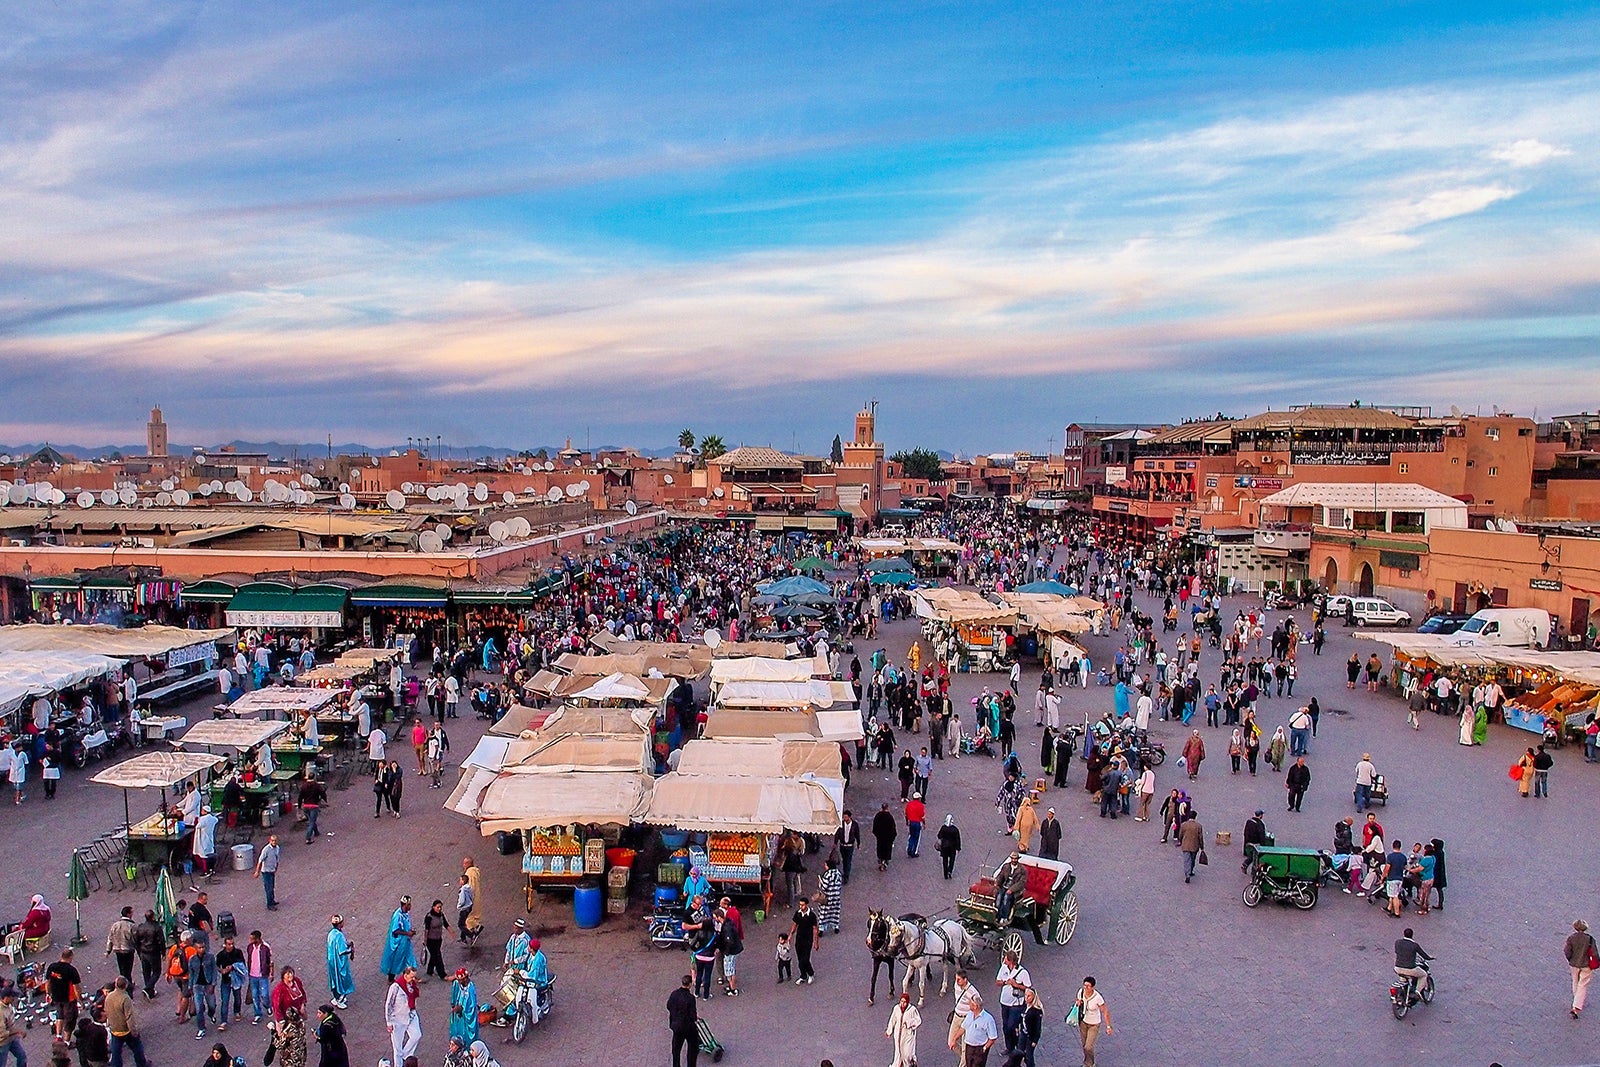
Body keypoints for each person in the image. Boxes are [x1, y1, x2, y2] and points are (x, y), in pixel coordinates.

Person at [103, 978, 151, 1067]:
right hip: (125, 1030)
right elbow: (129, 1017)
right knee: (137, 1047)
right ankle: (142, 1064)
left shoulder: (109, 997)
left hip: (114, 1029)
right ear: (125, 986)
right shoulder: (125, 998)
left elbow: (107, 1011)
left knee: (116, 1052)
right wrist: (133, 1031)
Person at [994, 950, 1031, 1054]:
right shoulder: (1003, 968)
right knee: (1005, 1027)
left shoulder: (1023, 972)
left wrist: (1016, 985)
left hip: (1017, 1004)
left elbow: (1028, 988)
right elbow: (997, 982)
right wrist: (1006, 982)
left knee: (1012, 1026)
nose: (1004, 960)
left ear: (1010, 961)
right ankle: (1009, 1047)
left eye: (1005, 958)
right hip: (1004, 1002)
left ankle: (1017, 1046)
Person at [383, 967, 421, 1067]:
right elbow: (389, 1005)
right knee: (397, 1048)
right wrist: (389, 1022)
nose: (413, 979)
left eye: (414, 977)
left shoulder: (412, 985)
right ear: (405, 975)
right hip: (397, 1020)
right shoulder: (395, 987)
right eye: (411, 977)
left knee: (417, 1035)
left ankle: (405, 1055)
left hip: (411, 1015)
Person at [1072, 976, 1112, 1067]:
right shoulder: (1081, 992)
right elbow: (1078, 1000)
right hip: (1083, 1022)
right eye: (1084, 985)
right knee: (1084, 1044)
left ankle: (1090, 1063)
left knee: (1088, 1046)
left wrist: (1108, 1026)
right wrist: (1078, 1003)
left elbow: (1105, 1011)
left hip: (1094, 1024)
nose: (1086, 988)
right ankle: (1087, 1062)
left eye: (1088, 986)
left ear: (1093, 987)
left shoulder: (1098, 997)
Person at [45, 949, 81, 1043]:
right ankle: (67, 1042)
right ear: (71, 957)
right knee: (70, 1020)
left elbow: (47, 982)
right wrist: (80, 1001)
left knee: (59, 1015)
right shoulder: (71, 970)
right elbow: (76, 988)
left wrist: (48, 994)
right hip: (69, 999)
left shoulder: (52, 967)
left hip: (56, 997)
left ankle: (58, 1036)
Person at [954, 996, 998, 1067]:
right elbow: (963, 1027)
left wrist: (984, 1048)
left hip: (979, 1048)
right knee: (969, 1064)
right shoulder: (970, 1014)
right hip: (969, 1047)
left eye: (970, 1004)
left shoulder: (988, 1019)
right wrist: (955, 1039)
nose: (969, 1005)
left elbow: (993, 1037)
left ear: (975, 1006)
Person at [1566, 920, 1598, 1018]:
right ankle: (1576, 1006)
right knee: (1583, 984)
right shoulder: (1589, 939)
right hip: (1586, 965)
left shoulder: (1571, 938)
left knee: (1575, 982)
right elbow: (1595, 953)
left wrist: (1570, 959)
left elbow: (1567, 951)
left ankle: (1576, 1000)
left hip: (1574, 964)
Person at [380, 898, 417, 982]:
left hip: (405, 942)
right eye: (409, 905)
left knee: (408, 958)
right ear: (405, 905)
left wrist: (410, 932)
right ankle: (391, 979)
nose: (410, 906)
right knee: (396, 960)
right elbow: (395, 930)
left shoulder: (406, 914)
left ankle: (410, 975)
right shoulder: (397, 916)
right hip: (399, 943)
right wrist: (407, 933)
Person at [132, 910, 166, 1001]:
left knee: (146, 971)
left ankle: (149, 991)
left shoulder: (140, 927)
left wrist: (139, 951)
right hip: (153, 952)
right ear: (153, 917)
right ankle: (148, 988)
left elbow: (136, 940)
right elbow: (161, 941)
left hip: (144, 952)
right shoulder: (156, 927)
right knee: (156, 972)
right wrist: (163, 952)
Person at [666, 975, 699, 1067]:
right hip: (688, 1027)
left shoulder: (674, 994)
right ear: (689, 984)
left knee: (676, 1049)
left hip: (676, 1026)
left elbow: (668, 1006)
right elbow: (692, 1014)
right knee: (693, 1047)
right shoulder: (690, 998)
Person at [885, 991, 921, 1067]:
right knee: (898, 1053)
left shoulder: (912, 1010)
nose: (902, 1004)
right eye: (901, 1001)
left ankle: (910, 1064)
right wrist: (889, 1031)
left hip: (908, 1036)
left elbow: (918, 1020)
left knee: (907, 1054)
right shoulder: (896, 1008)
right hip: (898, 1035)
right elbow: (892, 1020)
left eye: (904, 1002)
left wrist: (909, 1023)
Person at [325, 916, 354, 1009]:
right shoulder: (339, 935)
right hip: (339, 962)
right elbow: (342, 950)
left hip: (332, 961)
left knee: (334, 979)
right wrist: (351, 950)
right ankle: (340, 999)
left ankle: (336, 997)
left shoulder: (331, 933)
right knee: (342, 979)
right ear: (339, 924)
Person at [789, 897, 819, 985]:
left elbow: (815, 929)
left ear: (806, 905)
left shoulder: (812, 916)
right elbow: (795, 924)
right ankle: (803, 975)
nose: (801, 906)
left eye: (802, 905)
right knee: (799, 958)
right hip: (799, 939)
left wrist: (816, 942)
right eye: (800, 905)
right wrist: (790, 935)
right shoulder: (798, 914)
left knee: (805, 959)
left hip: (808, 939)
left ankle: (811, 973)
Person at [245, 931, 272, 1022]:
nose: (250, 940)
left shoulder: (265, 948)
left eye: (252, 939)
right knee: (255, 995)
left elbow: (270, 961)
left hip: (263, 975)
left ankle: (268, 1006)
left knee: (264, 994)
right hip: (252, 975)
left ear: (257, 939)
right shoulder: (249, 947)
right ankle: (257, 1013)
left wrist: (271, 973)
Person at [106, 907, 137, 985]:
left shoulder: (115, 925)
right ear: (128, 914)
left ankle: (123, 982)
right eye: (131, 912)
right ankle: (128, 984)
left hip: (117, 949)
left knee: (121, 968)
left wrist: (108, 950)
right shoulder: (131, 926)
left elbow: (110, 938)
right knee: (128, 969)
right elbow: (135, 939)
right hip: (128, 949)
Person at [448, 969, 478, 1046]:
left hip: (466, 1016)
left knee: (467, 1034)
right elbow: (455, 997)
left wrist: (461, 1008)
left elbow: (471, 1005)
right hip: (459, 1016)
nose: (458, 982)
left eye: (460, 980)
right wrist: (455, 1006)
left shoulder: (470, 988)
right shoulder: (458, 984)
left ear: (465, 979)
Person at [422, 900, 450, 980]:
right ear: (433, 907)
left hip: (438, 939)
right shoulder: (429, 917)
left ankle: (429, 971)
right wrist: (425, 940)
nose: (439, 909)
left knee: (434, 955)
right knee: (437, 955)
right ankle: (443, 974)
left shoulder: (441, 915)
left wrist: (451, 931)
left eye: (440, 907)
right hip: (431, 940)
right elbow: (426, 929)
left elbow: (445, 924)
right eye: (438, 907)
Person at [254, 834, 281, 910]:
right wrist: (257, 871)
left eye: (275, 841)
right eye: (272, 841)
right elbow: (260, 860)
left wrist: (276, 867)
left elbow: (277, 858)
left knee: (272, 887)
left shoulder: (277, 848)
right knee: (268, 888)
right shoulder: (266, 849)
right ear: (270, 841)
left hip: (272, 870)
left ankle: (272, 900)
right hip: (266, 872)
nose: (274, 842)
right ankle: (269, 904)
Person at [836, 811, 861, 884]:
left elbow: (857, 834)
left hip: (850, 846)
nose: (844, 818)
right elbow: (837, 833)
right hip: (842, 845)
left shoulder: (854, 825)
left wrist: (858, 843)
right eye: (844, 817)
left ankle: (846, 875)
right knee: (844, 860)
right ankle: (845, 872)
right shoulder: (841, 824)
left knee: (848, 860)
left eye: (846, 817)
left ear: (849, 817)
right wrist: (835, 842)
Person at [1179, 811, 1205, 883]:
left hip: (1186, 845)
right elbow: (1200, 837)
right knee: (1192, 859)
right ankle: (1190, 870)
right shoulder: (1198, 826)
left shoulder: (1184, 825)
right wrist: (1202, 846)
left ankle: (1187, 874)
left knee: (1186, 860)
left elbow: (1180, 835)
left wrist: (1181, 841)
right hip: (1194, 845)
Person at [873, 803, 898, 872]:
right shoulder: (890, 817)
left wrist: (877, 834)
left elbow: (874, 827)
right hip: (888, 838)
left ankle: (881, 861)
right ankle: (884, 863)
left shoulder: (878, 816)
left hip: (880, 837)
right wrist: (893, 837)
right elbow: (893, 828)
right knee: (886, 851)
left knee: (880, 849)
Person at [937, 815, 963, 880]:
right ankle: (950, 870)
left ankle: (945, 873)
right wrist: (958, 847)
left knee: (944, 860)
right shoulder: (955, 829)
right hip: (952, 847)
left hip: (944, 846)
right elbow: (957, 839)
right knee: (952, 859)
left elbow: (939, 836)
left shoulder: (943, 828)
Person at [906, 793, 927, 857]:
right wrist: (924, 824)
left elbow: (906, 814)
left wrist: (907, 822)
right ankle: (913, 852)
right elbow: (922, 817)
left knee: (911, 836)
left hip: (911, 822)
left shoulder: (909, 804)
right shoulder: (921, 805)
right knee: (916, 837)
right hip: (917, 823)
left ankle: (909, 849)